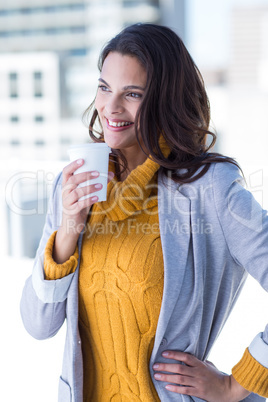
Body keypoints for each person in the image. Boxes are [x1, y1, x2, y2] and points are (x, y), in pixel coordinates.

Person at [20, 23, 268, 402]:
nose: (111, 108)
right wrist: (69, 229)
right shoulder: (74, 183)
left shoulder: (209, 187)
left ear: (166, 99)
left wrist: (233, 385)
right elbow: (39, 324)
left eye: (132, 94)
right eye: (104, 88)